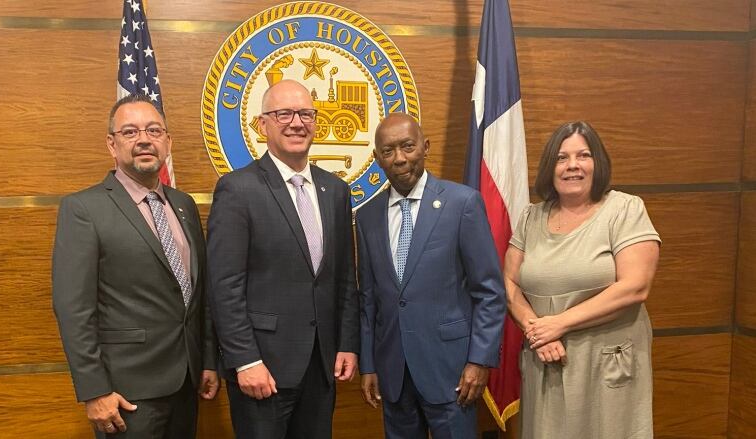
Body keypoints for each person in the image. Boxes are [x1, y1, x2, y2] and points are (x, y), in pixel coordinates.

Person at [52, 94, 219, 438]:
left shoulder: (184, 205)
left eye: (154, 130)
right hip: (125, 392)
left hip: (187, 382)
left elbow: (200, 293)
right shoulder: (84, 209)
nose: (144, 139)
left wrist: (207, 361)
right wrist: (94, 390)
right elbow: (74, 309)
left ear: (167, 142)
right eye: (130, 132)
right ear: (112, 145)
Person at [206, 79, 359, 439]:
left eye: (306, 113)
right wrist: (245, 360)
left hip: (322, 368)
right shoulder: (237, 189)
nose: (296, 122)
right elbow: (224, 286)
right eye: (284, 113)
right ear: (263, 125)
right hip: (264, 368)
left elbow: (344, 278)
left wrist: (347, 343)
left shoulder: (335, 190)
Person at [505, 121, 661, 438]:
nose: (572, 165)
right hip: (545, 358)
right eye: (562, 158)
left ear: (597, 163)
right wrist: (536, 328)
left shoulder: (625, 210)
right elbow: (508, 284)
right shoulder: (530, 217)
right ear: (550, 166)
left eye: (583, 155)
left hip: (606, 365)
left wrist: (559, 323)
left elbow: (635, 286)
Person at [356, 113, 506, 439]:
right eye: (388, 151)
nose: (399, 159)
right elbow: (368, 298)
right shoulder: (367, 216)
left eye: (408, 147)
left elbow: (489, 291)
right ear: (377, 158)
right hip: (393, 374)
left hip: (451, 372)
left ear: (425, 147)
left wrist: (479, 361)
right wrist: (368, 364)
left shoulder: (461, 203)